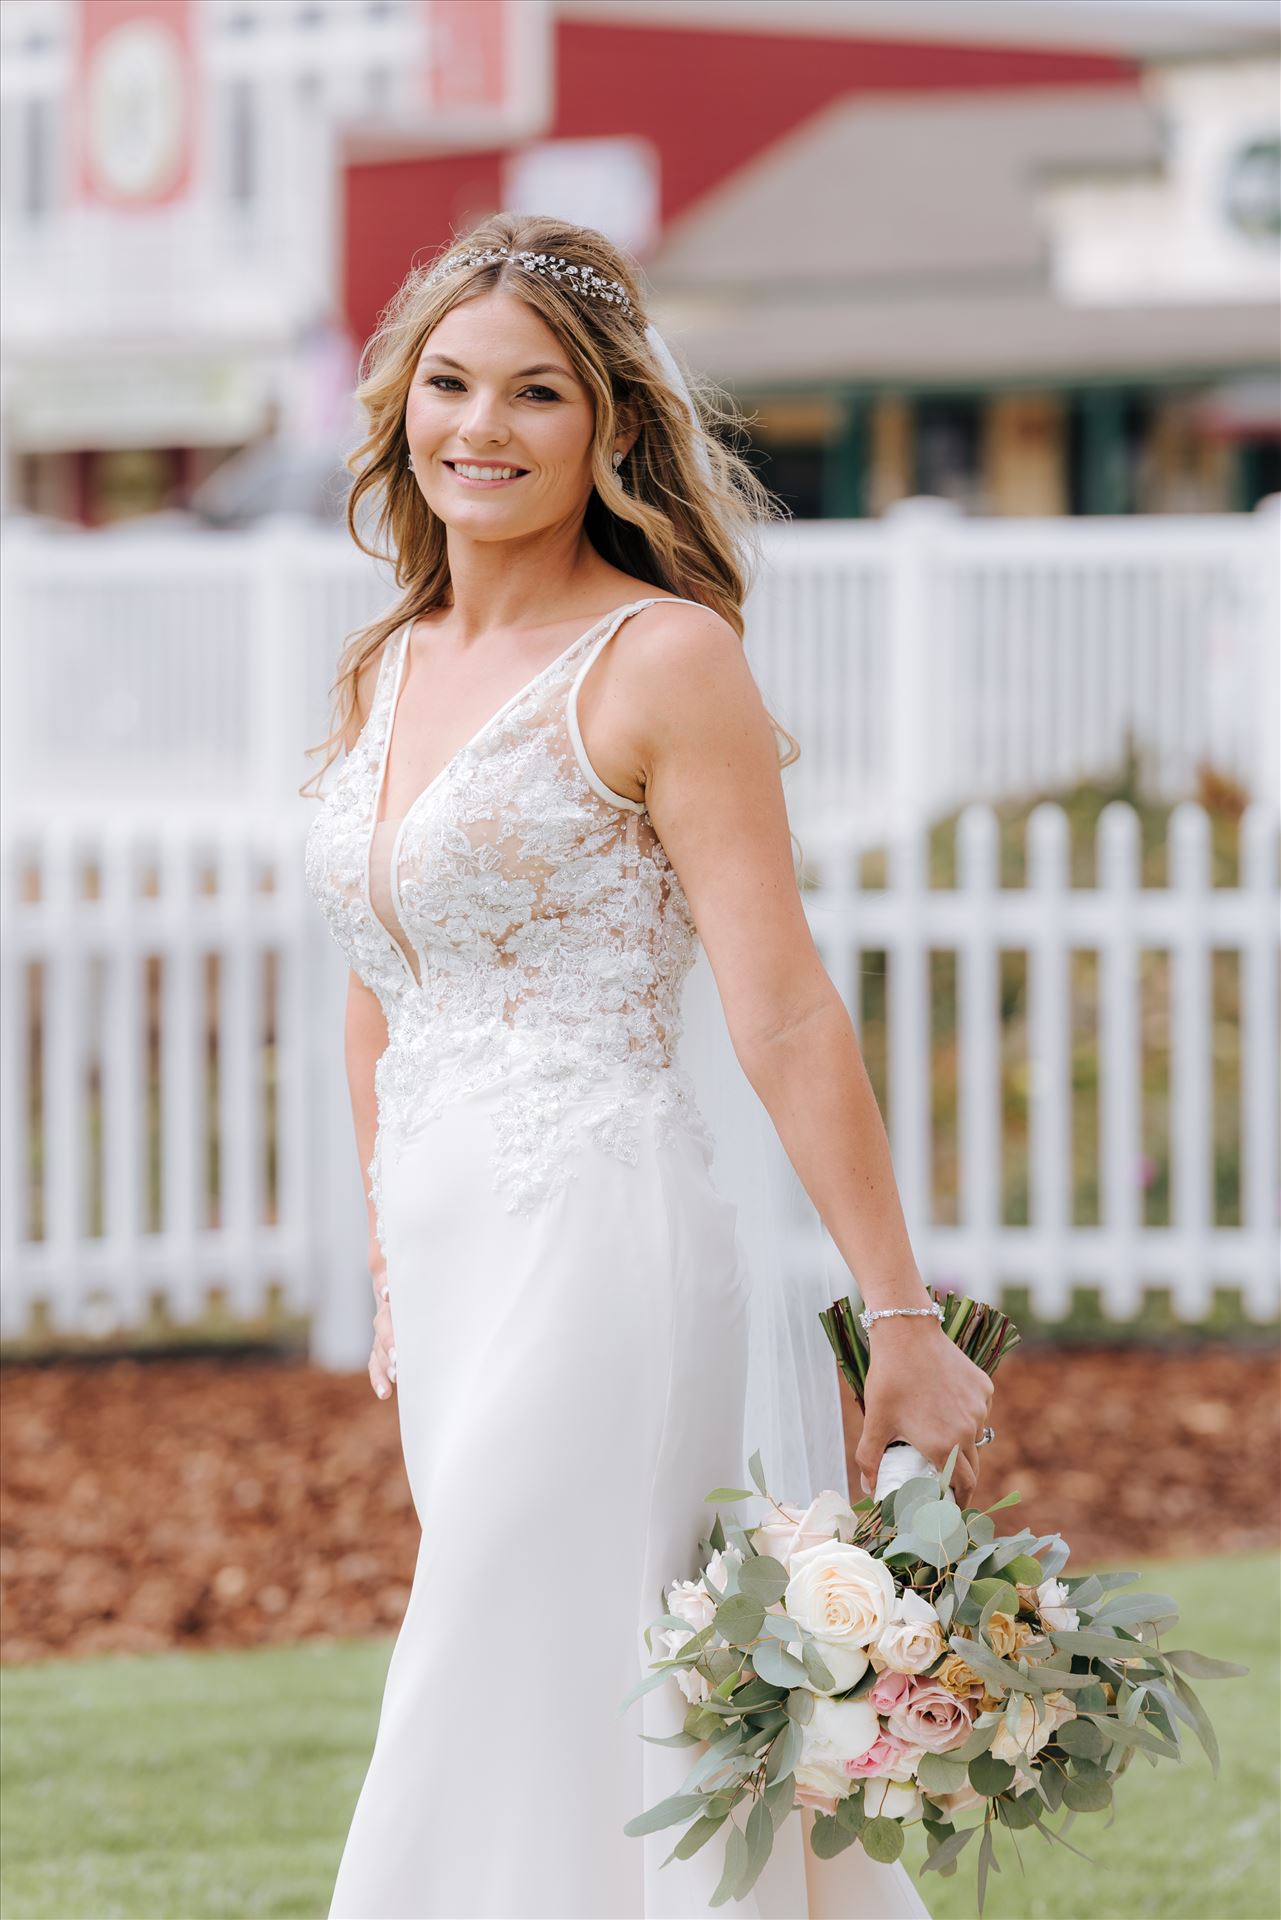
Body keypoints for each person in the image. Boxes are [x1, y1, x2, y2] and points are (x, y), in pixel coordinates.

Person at [302, 212, 993, 1919]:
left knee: (488, 1654)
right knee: (563, 1687)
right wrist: (390, 1252)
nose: (483, 426)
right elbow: (379, 977)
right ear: (398, 410)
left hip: (603, 1230)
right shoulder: (388, 668)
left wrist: (896, 1318)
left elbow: (783, 1010)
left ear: (609, 428)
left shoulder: (664, 659)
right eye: (450, 384)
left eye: (535, 393)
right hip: (456, 1262)